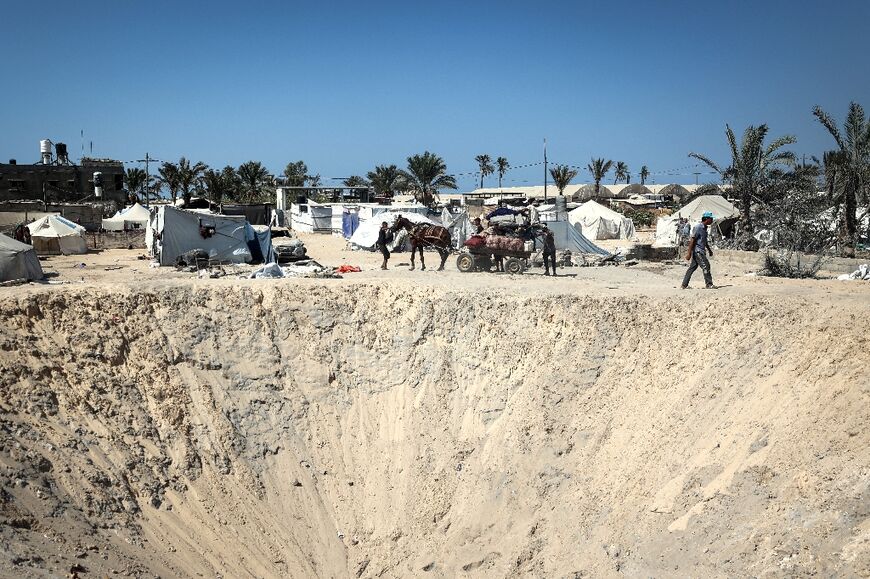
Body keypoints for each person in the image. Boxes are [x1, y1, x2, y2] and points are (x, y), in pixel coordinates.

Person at [682, 211, 715, 289]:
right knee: (706, 266)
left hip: (701, 250)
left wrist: (709, 250)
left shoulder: (705, 228)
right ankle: (709, 284)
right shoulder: (698, 227)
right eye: (711, 219)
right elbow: (692, 240)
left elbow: (704, 241)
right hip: (698, 251)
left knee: (692, 267)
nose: (712, 220)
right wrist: (689, 253)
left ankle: (684, 285)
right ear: (706, 219)